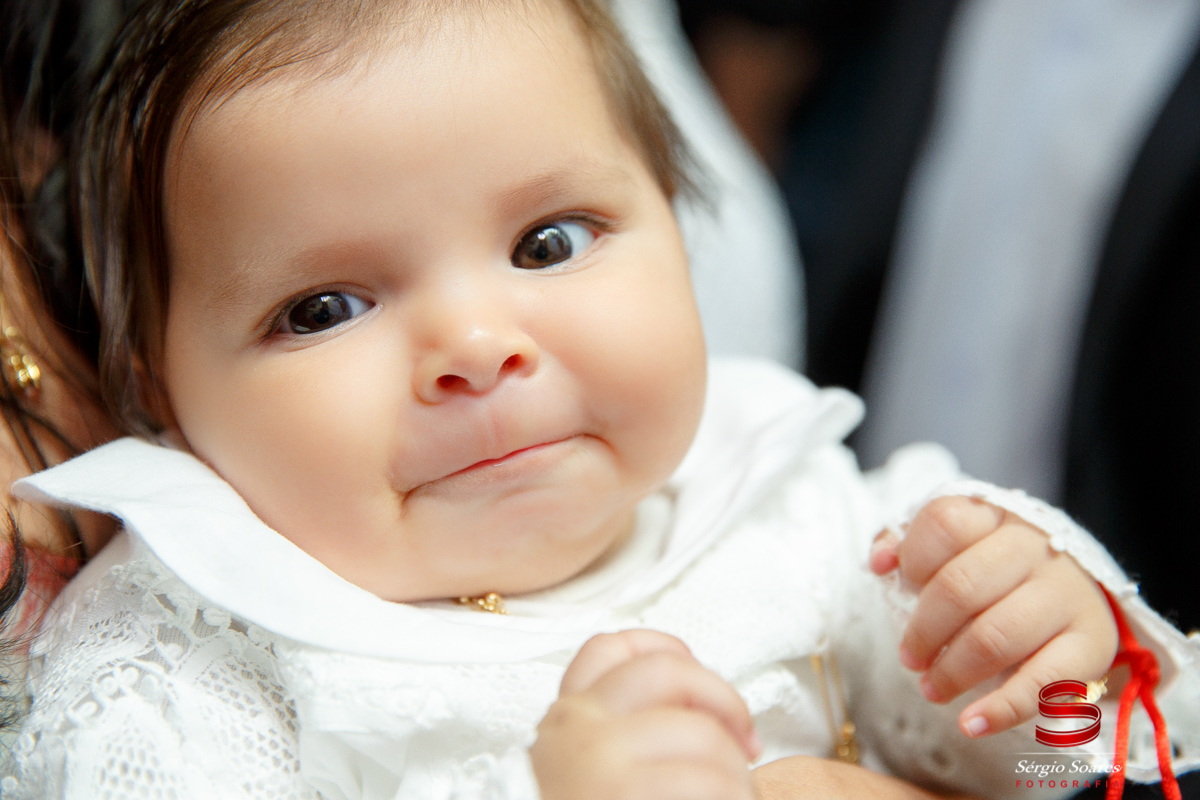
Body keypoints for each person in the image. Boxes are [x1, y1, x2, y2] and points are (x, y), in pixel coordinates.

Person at [2, 0, 1196, 797]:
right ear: (158, 388)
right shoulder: (188, 655)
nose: (476, 345)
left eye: (549, 241)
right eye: (325, 307)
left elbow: (1050, 750)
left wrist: (1037, 650)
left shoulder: (783, 494)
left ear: (680, 235)